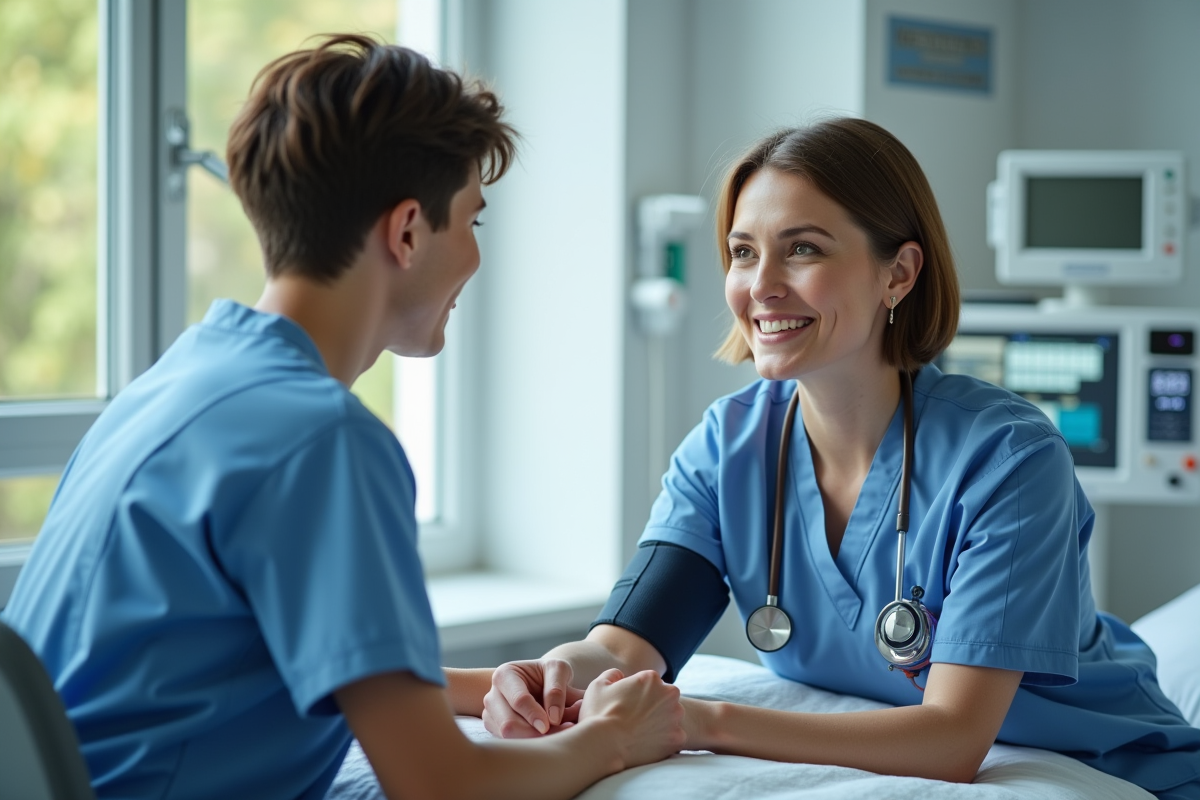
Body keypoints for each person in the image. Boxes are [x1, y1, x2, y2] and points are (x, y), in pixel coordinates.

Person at [1, 35, 684, 800]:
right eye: (473, 223)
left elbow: (268, 655)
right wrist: (614, 739)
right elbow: (442, 786)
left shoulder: (174, 384)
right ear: (406, 232)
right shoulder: (321, 441)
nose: (474, 258)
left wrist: (490, 684)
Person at [481, 118, 1200, 799]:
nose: (761, 285)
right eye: (742, 251)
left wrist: (698, 721)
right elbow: (622, 651)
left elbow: (952, 739)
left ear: (899, 274)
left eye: (803, 249)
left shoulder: (1009, 459)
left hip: (1124, 772)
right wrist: (547, 675)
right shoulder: (729, 445)